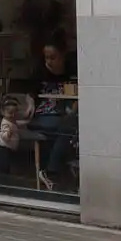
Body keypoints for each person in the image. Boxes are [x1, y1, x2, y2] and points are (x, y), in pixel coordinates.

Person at [25, 38, 78, 190]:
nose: (49, 62)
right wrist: (30, 103)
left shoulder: (71, 71)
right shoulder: (40, 72)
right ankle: (52, 171)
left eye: (53, 57)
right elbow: (30, 94)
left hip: (64, 116)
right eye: (46, 57)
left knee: (70, 129)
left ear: (63, 56)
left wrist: (72, 111)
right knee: (67, 130)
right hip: (43, 116)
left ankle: (52, 171)